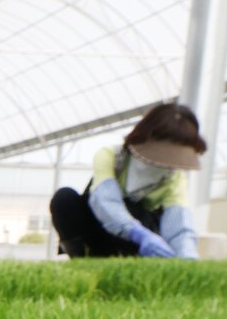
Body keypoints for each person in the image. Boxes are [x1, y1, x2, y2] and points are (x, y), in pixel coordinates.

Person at [50, 103, 206, 260]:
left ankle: (129, 259)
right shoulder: (111, 156)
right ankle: (82, 257)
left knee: (135, 208)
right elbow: (105, 201)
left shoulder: (174, 177)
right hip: (102, 228)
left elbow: (179, 221)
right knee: (64, 199)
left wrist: (187, 256)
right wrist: (139, 234)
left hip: (132, 244)